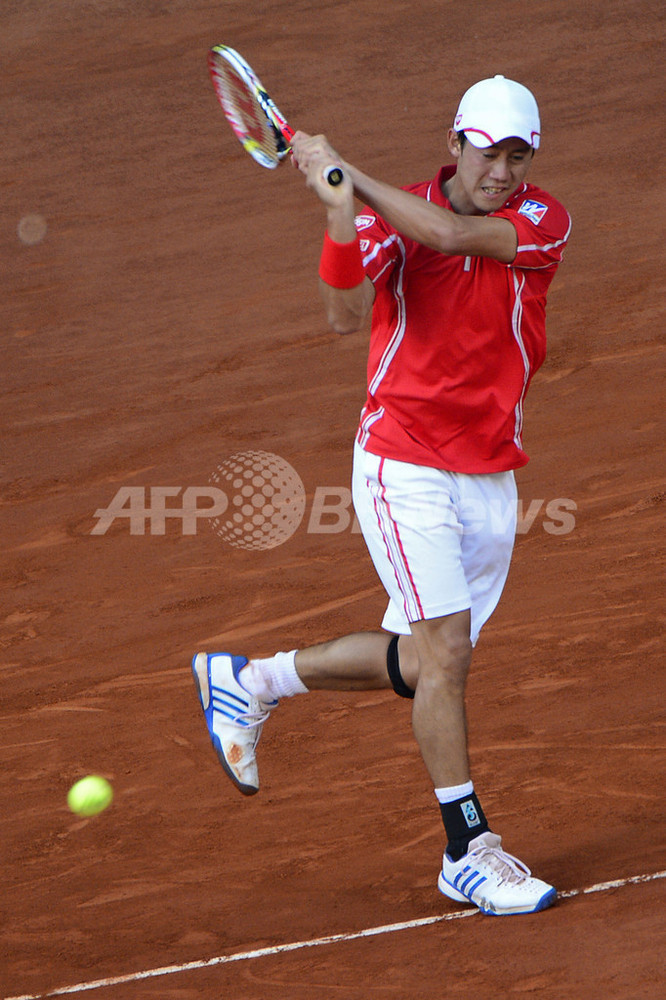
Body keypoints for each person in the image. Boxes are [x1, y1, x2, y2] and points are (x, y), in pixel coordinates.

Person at [192, 75, 572, 916]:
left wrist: (347, 175)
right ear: (455, 142)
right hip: (404, 460)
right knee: (447, 654)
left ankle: (249, 684)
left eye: (519, 156)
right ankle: (469, 852)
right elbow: (340, 311)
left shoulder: (542, 220)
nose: (504, 171)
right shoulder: (380, 217)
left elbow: (451, 233)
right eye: (489, 151)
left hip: (489, 471)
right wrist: (338, 209)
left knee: (417, 661)